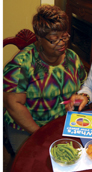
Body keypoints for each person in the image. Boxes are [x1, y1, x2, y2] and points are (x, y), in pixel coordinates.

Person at [3, 5, 87, 153]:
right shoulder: (22, 65)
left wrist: (79, 97)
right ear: (40, 39)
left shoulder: (73, 58)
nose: (62, 43)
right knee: (38, 161)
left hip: (62, 124)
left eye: (64, 36)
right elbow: (13, 105)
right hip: (28, 127)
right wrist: (41, 133)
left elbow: (83, 86)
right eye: (54, 40)